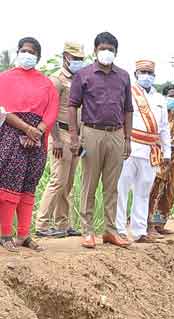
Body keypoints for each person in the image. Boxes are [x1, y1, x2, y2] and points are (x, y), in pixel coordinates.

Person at [68, 31, 133, 249]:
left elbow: (128, 109)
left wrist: (128, 138)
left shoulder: (123, 76)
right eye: (103, 48)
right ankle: (87, 231)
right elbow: (72, 106)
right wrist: (74, 137)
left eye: (111, 49)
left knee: (112, 185)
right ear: (95, 50)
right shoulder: (84, 75)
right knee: (89, 183)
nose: (107, 52)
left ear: (116, 52)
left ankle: (110, 231)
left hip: (116, 134)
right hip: (91, 132)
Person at [0, 37, 59, 252]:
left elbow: (52, 109)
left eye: (32, 52)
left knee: (29, 185)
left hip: (37, 138)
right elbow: (2, 110)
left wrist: (39, 131)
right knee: (9, 184)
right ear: (18, 52)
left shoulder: (46, 83)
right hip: (12, 134)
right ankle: (5, 234)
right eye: (24, 50)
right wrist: (26, 129)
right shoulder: (3, 79)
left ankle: (23, 235)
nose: (28, 54)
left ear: (38, 57)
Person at [35, 41, 86, 239]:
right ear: (66, 57)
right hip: (60, 134)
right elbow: (49, 111)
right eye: (75, 59)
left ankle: (63, 224)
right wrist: (55, 139)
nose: (78, 62)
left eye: (81, 59)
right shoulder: (56, 80)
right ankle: (42, 224)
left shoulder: (79, 79)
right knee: (57, 180)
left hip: (75, 136)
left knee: (69, 182)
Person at [115, 60, 171, 243]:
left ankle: (139, 231)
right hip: (129, 147)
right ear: (136, 73)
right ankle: (119, 229)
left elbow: (164, 129)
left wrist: (167, 152)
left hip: (151, 151)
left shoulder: (160, 99)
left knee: (143, 191)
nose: (146, 75)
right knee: (121, 189)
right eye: (143, 72)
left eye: (149, 72)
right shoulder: (128, 93)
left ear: (154, 75)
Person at [148, 83, 174, 237]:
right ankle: (148, 224)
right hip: (159, 156)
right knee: (154, 190)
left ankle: (160, 223)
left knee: (169, 191)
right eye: (171, 96)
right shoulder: (157, 112)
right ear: (164, 97)